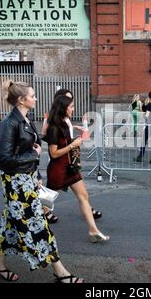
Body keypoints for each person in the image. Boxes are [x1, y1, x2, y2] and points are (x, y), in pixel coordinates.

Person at [0, 80, 83, 283]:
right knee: (38, 224)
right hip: (16, 183)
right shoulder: (10, 123)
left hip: (28, 178)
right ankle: (60, 272)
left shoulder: (25, 119)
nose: (35, 98)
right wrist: (33, 156)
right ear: (21, 100)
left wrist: (37, 175)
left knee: (10, 224)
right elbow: (3, 159)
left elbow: (30, 146)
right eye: (32, 96)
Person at [46, 95, 110, 243]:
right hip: (58, 169)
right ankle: (27, 227)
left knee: (84, 196)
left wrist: (76, 140)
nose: (73, 109)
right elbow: (53, 153)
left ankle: (93, 231)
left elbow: (66, 145)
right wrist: (72, 145)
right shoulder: (54, 128)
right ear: (63, 108)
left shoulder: (64, 123)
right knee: (45, 205)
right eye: (71, 106)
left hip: (70, 168)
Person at [41, 89, 102, 223]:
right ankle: (43, 211)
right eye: (70, 103)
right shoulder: (54, 124)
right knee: (51, 191)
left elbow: (65, 134)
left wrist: (74, 128)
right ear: (61, 103)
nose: (73, 107)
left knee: (82, 194)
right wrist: (72, 145)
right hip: (59, 162)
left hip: (70, 160)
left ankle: (90, 219)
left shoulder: (66, 119)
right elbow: (48, 137)